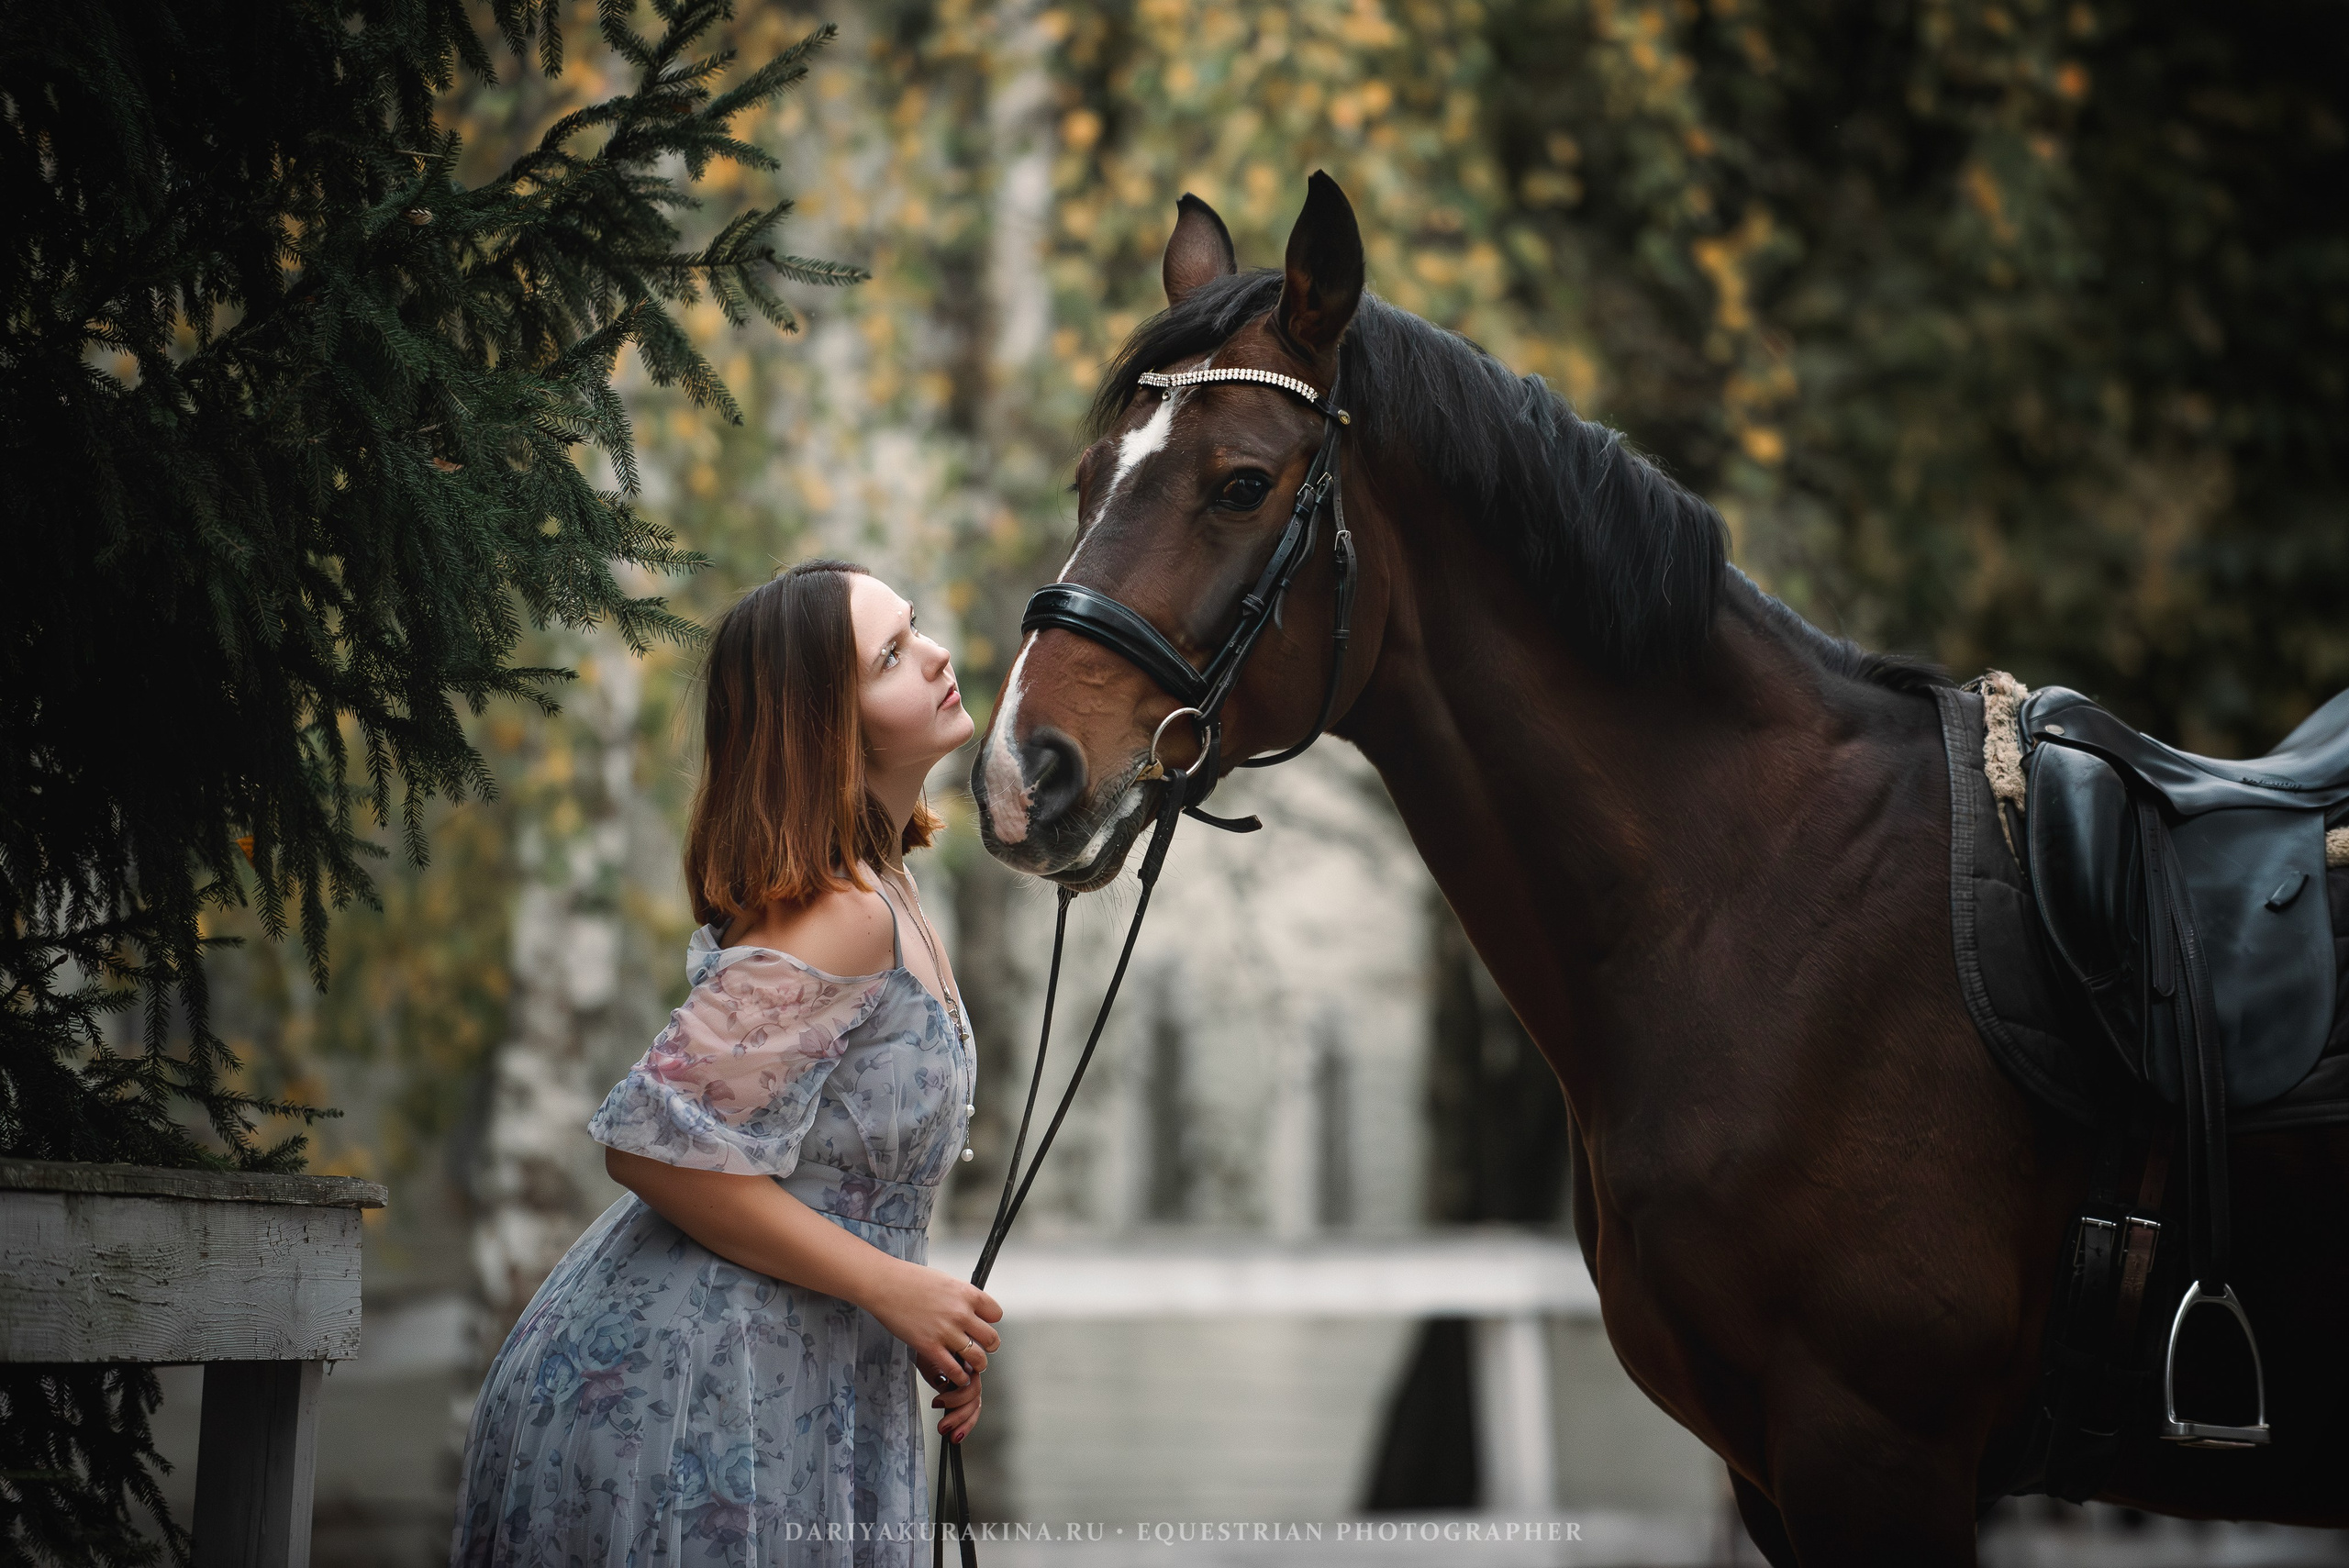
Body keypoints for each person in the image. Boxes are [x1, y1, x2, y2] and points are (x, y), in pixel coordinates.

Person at [451, 559, 1001, 1567]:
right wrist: (892, 1287)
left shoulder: (887, 890)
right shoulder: (838, 914)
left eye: (914, 628)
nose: (934, 657)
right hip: (694, 1390)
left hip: (793, 1374)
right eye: (890, 655)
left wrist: (919, 1312)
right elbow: (655, 1151)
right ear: (827, 726)